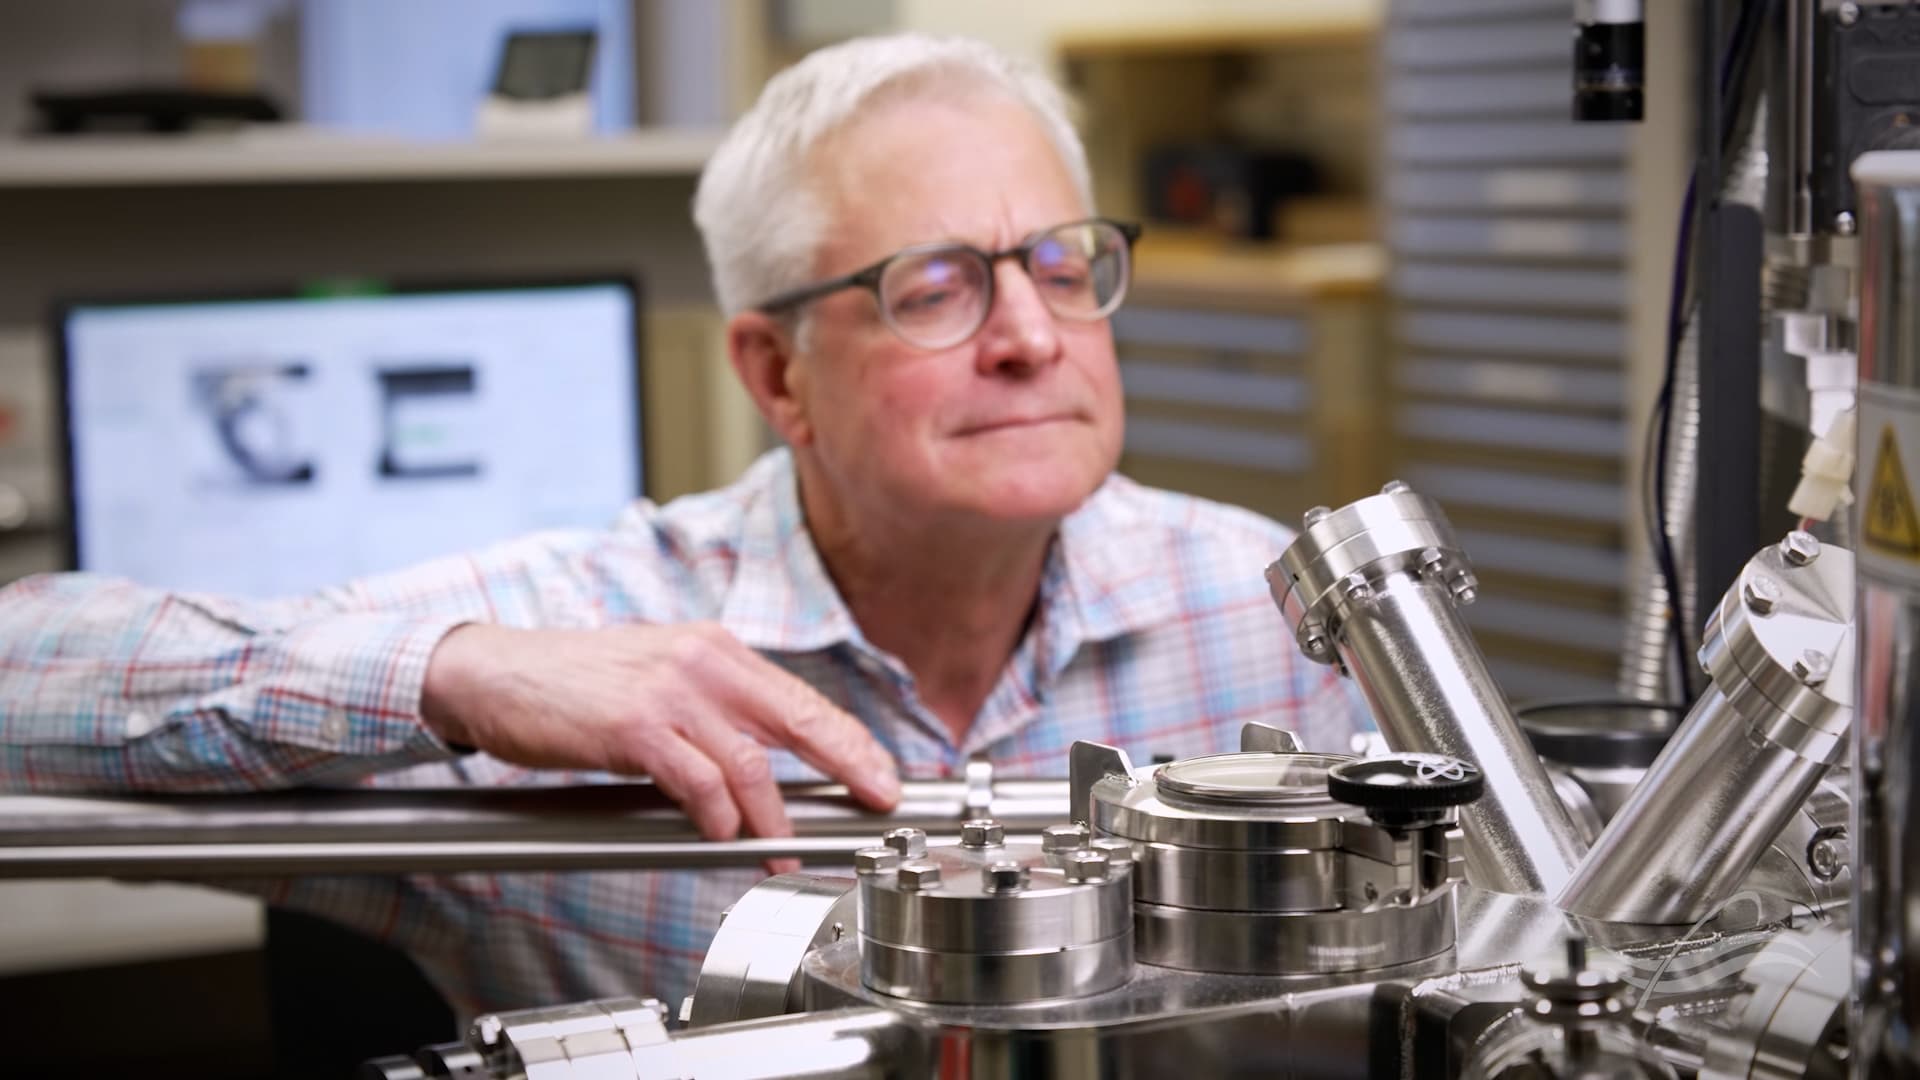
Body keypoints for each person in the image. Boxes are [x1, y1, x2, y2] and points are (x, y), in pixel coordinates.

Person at [0, 32, 1369, 1016]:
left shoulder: (1271, 609)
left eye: (1062, 266)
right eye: (936, 287)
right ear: (777, 376)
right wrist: (456, 674)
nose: (1026, 336)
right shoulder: (584, 642)